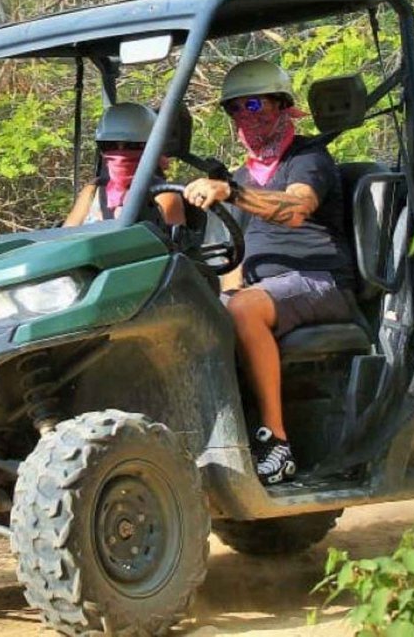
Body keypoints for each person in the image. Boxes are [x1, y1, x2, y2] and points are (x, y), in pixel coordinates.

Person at [182, 60, 358, 485]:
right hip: (266, 290)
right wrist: (221, 295)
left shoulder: (306, 157)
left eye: (256, 104)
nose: (248, 117)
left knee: (243, 310)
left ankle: (275, 442)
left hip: (321, 280)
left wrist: (233, 193)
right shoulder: (241, 174)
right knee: (195, 315)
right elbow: (231, 259)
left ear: (283, 106)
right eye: (236, 109)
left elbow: (296, 209)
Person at [65, 102, 186, 227]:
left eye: (132, 145)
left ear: (151, 148)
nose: (120, 154)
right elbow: (65, 237)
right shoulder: (94, 190)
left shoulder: (163, 196)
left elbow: (169, 245)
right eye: (110, 145)